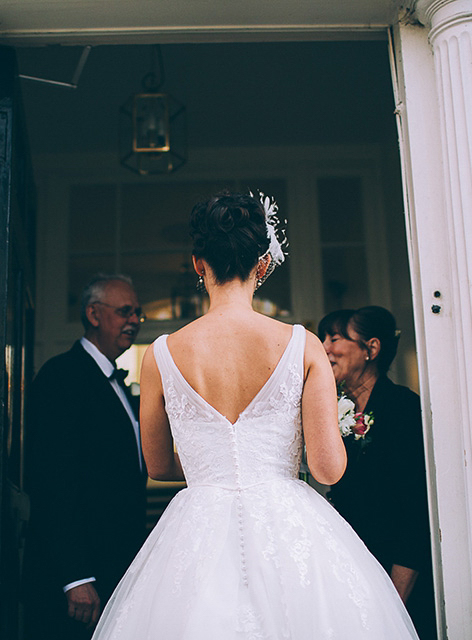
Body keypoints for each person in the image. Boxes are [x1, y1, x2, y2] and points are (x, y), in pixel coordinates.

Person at [90, 192, 419, 640]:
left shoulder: (160, 355)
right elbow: (328, 468)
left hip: (197, 524)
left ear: (197, 263)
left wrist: (214, 466)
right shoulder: (303, 345)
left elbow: (159, 465)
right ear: (262, 265)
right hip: (287, 522)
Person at [23, 274, 148, 640]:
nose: (135, 321)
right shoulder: (62, 376)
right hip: (79, 578)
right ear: (94, 314)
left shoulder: (118, 383)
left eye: (138, 313)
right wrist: (75, 575)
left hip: (114, 562)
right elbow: (51, 480)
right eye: (126, 311)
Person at [318, 306, 437, 640]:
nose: (325, 347)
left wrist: (392, 605)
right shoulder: (331, 410)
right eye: (323, 337)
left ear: (371, 349)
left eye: (335, 338)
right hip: (352, 568)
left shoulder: (401, 408)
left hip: (396, 576)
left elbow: (415, 510)